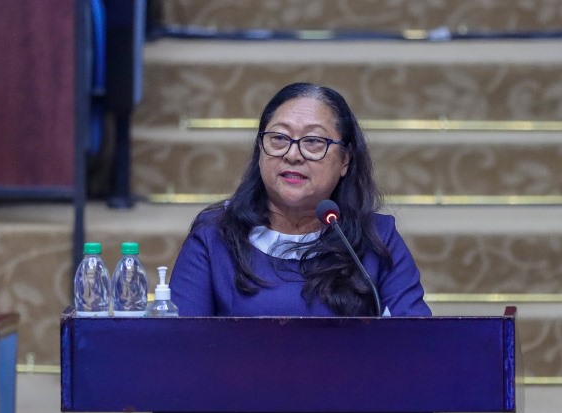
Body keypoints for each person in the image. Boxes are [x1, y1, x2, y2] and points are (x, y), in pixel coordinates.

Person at [170, 82, 431, 317]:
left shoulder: (377, 238)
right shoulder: (215, 236)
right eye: (279, 138)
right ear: (260, 149)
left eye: (313, 141)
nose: (293, 155)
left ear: (345, 160)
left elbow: (417, 342)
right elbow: (181, 344)